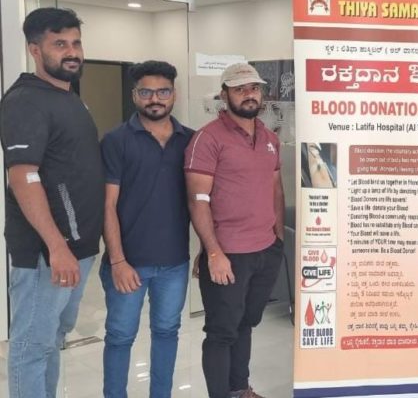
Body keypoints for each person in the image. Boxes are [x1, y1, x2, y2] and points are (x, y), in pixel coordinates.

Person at [0, 7, 104, 398]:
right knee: (31, 345)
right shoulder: (26, 100)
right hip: (48, 253)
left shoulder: (68, 98)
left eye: (76, 42)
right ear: (34, 49)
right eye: (59, 44)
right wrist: (57, 246)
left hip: (77, 248)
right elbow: (23, 178)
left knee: (52, 337)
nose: (72, 52)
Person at [185, 62, 285, 398]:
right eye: (239, 89)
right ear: (224, 94)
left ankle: (240, 390)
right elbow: (198, 200)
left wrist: (278, 239)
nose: (248, 94)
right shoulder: (207, 138)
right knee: (221, 333)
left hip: (265, 250)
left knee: (246, 323)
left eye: (253, 88)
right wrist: (213, 252)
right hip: (229, 254)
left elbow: (275, 189)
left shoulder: (270, 138)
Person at [100, 61, 194, 397]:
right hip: (129, 263)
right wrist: (118, 261)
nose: (155, 99)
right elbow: (107, 205)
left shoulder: (190, 140)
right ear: (134, 95)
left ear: (173, 94)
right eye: (146, 92)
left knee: (167, 332)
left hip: (175, 263)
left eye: (163, 91)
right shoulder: (116, 140)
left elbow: (200, 201)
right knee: (120, 337)